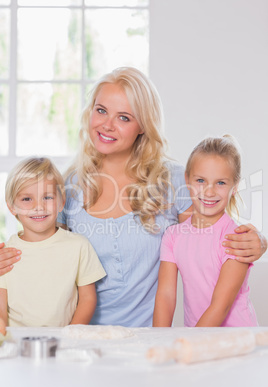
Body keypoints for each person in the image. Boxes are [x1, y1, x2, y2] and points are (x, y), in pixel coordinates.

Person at [0, 68, 266, 327]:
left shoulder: (173, 180)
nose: (107, 124)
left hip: (146, 340)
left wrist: (257, 240)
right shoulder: (67, 188)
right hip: (80, 339)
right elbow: (43, 253)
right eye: (101, 110)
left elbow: (210, 238)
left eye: (124, 117)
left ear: (143, 126)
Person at [153, 135, 258, 327]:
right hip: (197, 338)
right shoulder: (173, 236)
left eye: (220, 183)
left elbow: (220, 307)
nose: (209, 192)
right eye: (201, 180)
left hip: (238, 340)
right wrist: (159, 341)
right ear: (187, 179)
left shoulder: (237, 239)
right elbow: (166, 296)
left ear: (234, 187)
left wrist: (190, 345)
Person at [0, 157, 106, 327]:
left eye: (47, 197)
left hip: (65, 342)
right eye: (27, 199)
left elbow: (88, 299)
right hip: (17, 343)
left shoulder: (78, 246)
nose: (38, 206)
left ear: (62, 202)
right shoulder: (6, 254)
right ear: (12, 207)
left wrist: (71, 335)